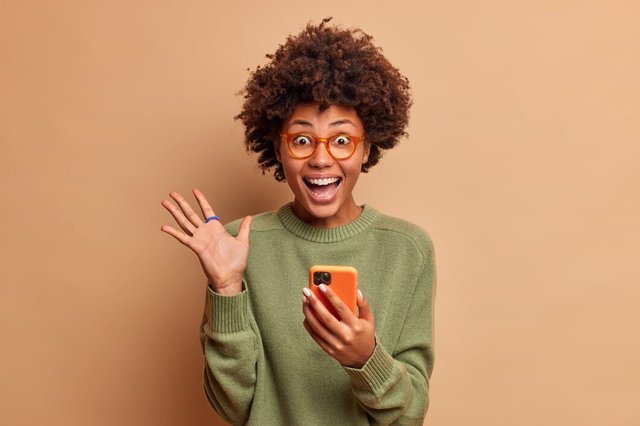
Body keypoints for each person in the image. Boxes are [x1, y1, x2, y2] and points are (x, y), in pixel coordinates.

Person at [160, 18, 436, 425]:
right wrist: (226, 288)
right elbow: (233, 407)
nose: (321, 158)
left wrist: (366, 359)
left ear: (368, 148)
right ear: (278, 148)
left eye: (342, 140)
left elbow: (409, 415)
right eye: (302, 139)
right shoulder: (238, 245)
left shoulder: (408, 249)